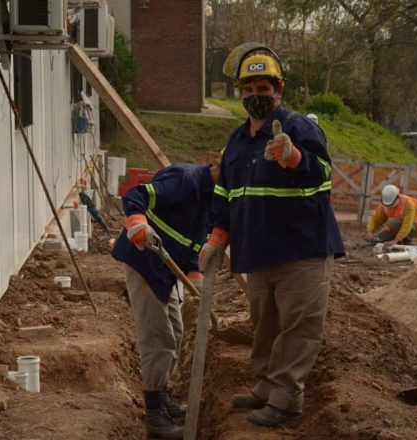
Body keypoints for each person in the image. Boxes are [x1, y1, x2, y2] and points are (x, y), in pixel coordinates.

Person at [199, 43, 345, 428]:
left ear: (279, 90)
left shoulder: (298, 128)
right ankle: (265, 386)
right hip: (259, 252)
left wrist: (296, 159)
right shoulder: (236, 142)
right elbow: (224, 194)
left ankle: (287, 399)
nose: (255, 96)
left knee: (298, 327)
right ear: (239, 92)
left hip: (301, 250)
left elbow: (325, 178)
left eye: (263, 89)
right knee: (265, 325)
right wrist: (217, 237)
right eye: (248, 89)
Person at [111, 157, 220, 439]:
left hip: (166, 270)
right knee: (160, 340)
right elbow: (137, 195)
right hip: (144, 261)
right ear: (222, 167)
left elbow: (194, 243)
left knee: (177, 332)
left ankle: (162, 393)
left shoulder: (214, 199)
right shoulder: (185, 180)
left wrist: (196, 280)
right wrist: (137, 223)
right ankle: (154, 416)